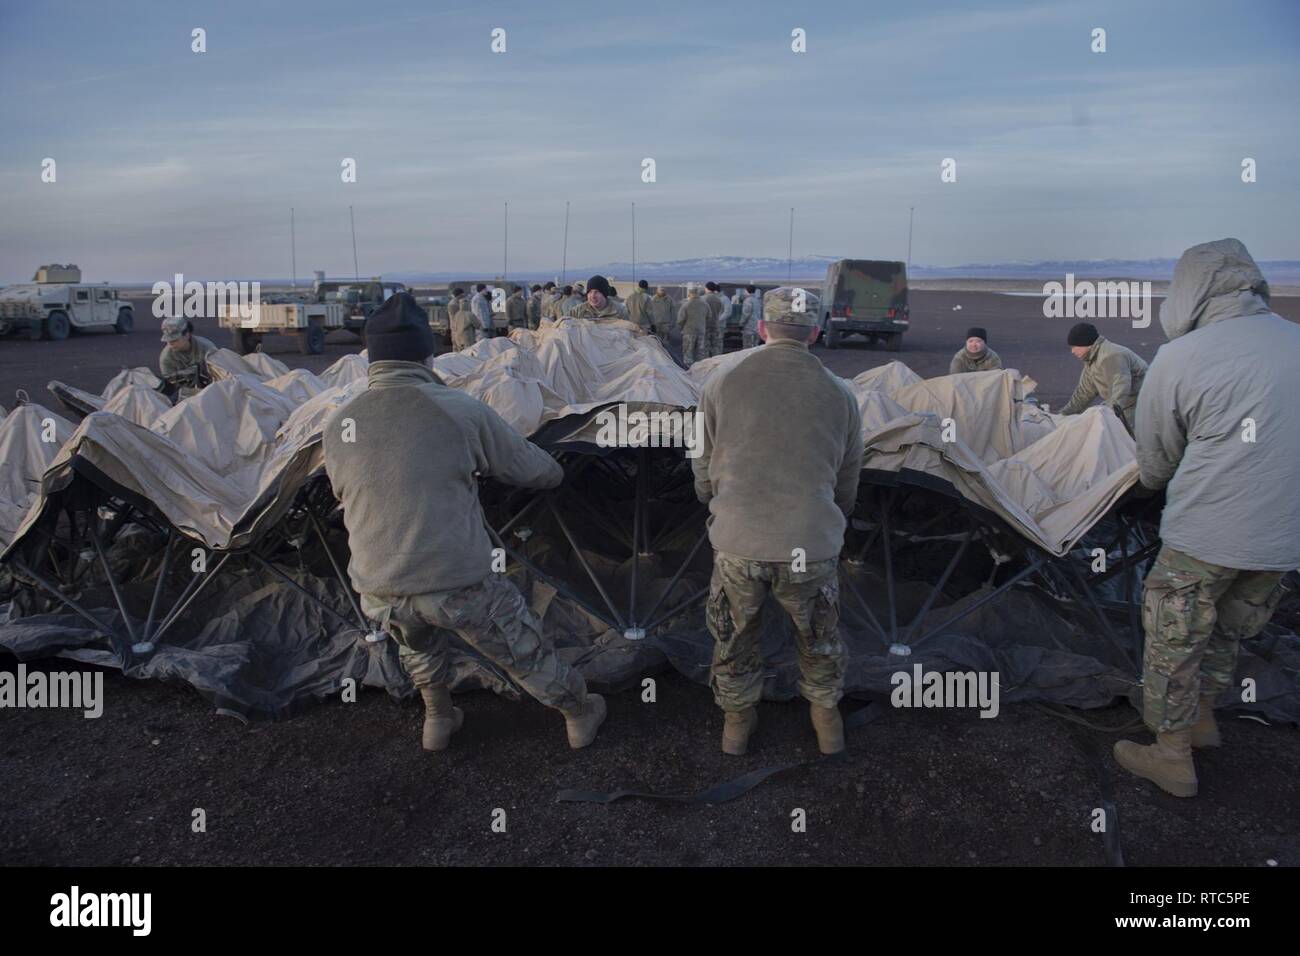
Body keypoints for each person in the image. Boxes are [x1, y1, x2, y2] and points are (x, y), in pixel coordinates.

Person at [323, 294, 607, 752]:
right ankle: (578, 712)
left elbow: (344, 492)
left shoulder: (339, 423)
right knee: (520, 648)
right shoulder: (459, 410)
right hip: (453, 580)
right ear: (427, 355)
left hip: (378, 586)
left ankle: (437, 718)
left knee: (417, 646)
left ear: (371, 359)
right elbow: (539, 472)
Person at [1113, 239, 1300, 798]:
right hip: (1282, 539)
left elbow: (1155, 463)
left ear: (1190, 292)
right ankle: (1203, 720)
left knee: (1175, 639)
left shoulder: (1182, 358)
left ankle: (1171, 756)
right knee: (1227, 630)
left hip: (1208, 532)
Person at [692, 287, 862, 756]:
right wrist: (829, 522)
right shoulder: (841, 394)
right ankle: (827, 726)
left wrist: (714, 503)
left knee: (734, 638)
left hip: (738, 541)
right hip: (812, 543)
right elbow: (848, 479)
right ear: (817, 331)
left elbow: (701, 460)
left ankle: (736, 729)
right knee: (820, 639)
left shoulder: (720, 383)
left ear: (762, 328)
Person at [1060, 322, 1147, 430]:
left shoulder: (1111, 356)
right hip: (1124, 406)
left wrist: (1109, 417)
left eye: (1074, 346)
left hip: (1139, 405)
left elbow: (1120, 389)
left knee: (1116, 436)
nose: (1072, 351)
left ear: (1085, 343)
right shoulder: (1091, 361)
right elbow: (1083, 394)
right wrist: (1063, 415)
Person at [158, 317, 217, 398]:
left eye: (174, 340)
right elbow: (169, 384)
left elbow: (220, 373)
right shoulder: (166, 358)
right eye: (168, 341)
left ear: (187, 335)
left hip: (210, 390)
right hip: (183, 394)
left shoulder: (207, 348)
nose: (170, 344)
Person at [676, 283, 710, 366]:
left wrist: (680, 328)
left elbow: (680, 319)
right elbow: (709, 316)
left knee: (688, 352)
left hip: (689, 331)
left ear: (689, 294)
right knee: (700, 352)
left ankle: (689, 370)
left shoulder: (686, 305)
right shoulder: (705, 304)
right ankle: (701, 369)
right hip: (701, 331)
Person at [703, 282, 725, 357]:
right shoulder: (718, 299)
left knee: (705, 347)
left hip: (705, 326)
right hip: (716, 325)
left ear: (707, 288)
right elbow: (720, 311)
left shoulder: (703, 299)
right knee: (715, 347)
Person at [740, 285, 762, 349]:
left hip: (749, 326)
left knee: (747, 345)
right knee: (755, 345)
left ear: (747, 291)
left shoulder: (748, 300)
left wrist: (741, 323)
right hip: (757, 326)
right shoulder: (757, 300)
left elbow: (746, 314)